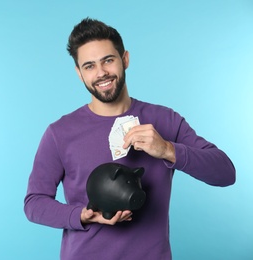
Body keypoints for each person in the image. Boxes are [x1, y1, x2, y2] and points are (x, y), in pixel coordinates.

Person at [24, 18, 236, 260]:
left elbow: (225, 173)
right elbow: (34, 203)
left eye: (108, 60)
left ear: (125, 59)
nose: (101, 73)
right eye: (89, 66)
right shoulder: (59, 133)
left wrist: (167, 149)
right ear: (79, 73)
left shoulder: (165, 120)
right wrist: (81, 215)